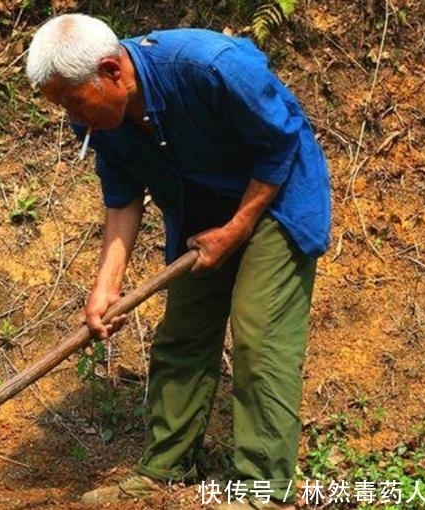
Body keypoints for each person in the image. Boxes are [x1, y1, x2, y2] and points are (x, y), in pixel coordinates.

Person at [26, 13, 331, 510]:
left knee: (260, 334)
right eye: (61, 107)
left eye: (73, 102)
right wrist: (106, 286)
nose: (73, 119)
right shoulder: (104, 117)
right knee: (183, 333)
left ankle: (263, 490)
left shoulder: (211, 65)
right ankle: (165, 469)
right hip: (202, 212)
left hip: (275, 200)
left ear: (111, 71)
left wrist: (236, 230)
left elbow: (280, 145)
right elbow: (123, 198)